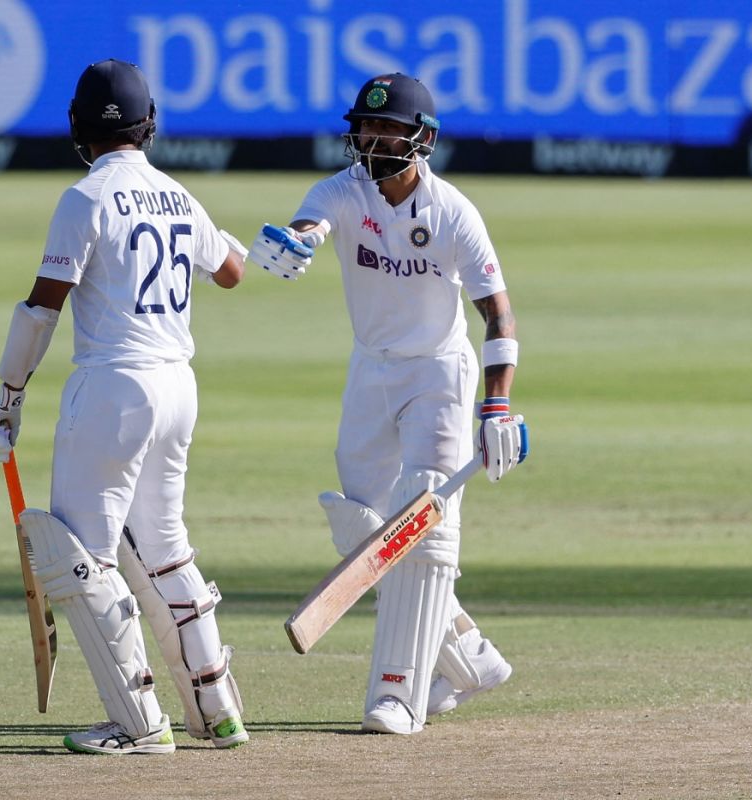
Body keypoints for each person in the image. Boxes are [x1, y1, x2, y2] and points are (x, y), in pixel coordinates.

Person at [0, 59, 249, 754]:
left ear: (78, 125)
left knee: (81, 557)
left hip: (115, 388)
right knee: (163, 548)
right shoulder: (178, 195)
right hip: (178, 388)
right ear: (148, 123)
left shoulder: (86, 198)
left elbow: (43, 309)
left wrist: (7, 397)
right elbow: (232, 271)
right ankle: (218, 709)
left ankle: (139, 724)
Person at [247, 73, 528, 735]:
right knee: (365, 527)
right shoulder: (340, 192)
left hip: (439, 373)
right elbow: (312, 225)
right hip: (371, 371)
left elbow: (499, 315)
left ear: (421, 139)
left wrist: (496, 407)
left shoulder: (453, 210)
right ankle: (472, 657)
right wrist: (299, 243)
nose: (372, 140)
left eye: (387, 130)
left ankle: (398, 694)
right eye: (365, 129)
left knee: (424, 516)